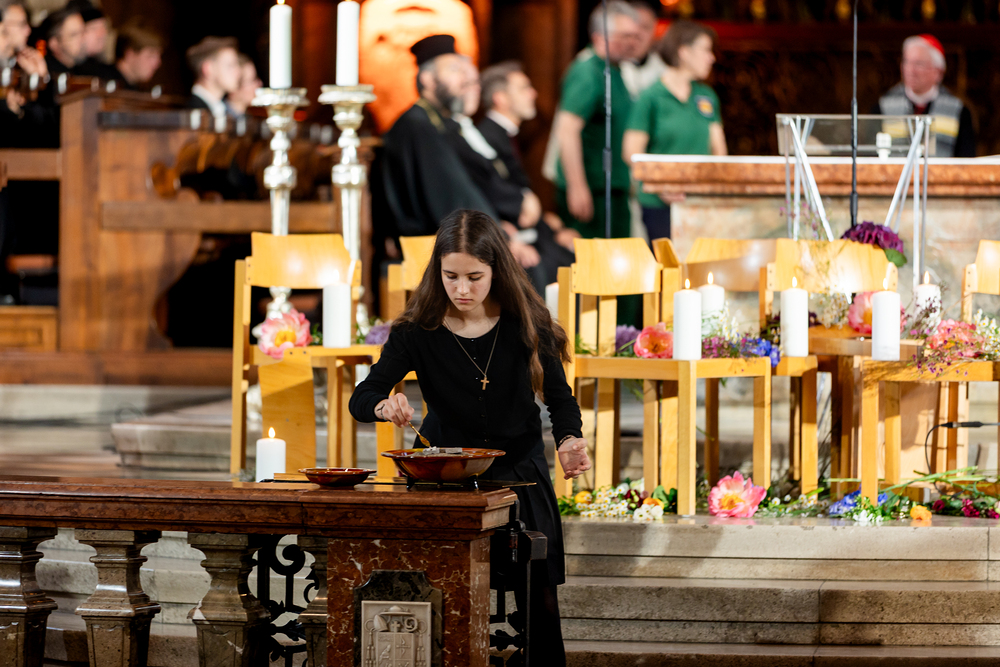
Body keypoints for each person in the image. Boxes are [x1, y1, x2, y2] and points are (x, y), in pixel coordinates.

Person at [349, 209, 591, 667]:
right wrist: (383, 405)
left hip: (518, 474)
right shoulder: (416, 331)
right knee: (437, 592)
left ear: (496, 270)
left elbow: (560, 400)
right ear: (437, 272)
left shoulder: (527, 323)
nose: (462, 289)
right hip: (443, 476)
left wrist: (568, 440)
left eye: (474, 277)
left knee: (539, 598)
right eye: (451, 276)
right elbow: (363, 396)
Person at [379, 34, 498, 238]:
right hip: (429, 243)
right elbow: (452, 195)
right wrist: (496, 237)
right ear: (428, 79)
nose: (464, 79)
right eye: (454, 70)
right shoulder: (416, 126)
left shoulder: (441, 122)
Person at [623, 20, 726, 241]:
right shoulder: (651, 97)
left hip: (700, 203)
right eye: (706, 50)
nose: (712, 57)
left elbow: (719, 152)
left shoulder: (706, 96)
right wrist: (662, 186)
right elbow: (631, 152)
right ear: (684, 52)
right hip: (659, 204)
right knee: (667, 260)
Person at [479, 61, 578, 285]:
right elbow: (492, 193)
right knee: (560, 268)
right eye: (524, 88)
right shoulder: (487, 137)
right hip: (506, 235)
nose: (533, 93)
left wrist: (553, 228)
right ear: (500, 98)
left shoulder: (504, 135)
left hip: (528, 230)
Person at [552, 1, 641, 241]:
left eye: (636, 36)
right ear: (601, 37)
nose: (633, 42)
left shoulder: (616, 70)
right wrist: (577, 186)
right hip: (593, 190)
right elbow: (567, 129)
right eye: (626, 36)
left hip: (612, 188)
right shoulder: (587, 72)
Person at [874, 34, 975, 158]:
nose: (911, 70)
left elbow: (966, 160)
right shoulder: (882, 108)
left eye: (919, 64)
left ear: (938, 71)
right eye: (906, 62)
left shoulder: (958, 111)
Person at [185, 36, 240, 118]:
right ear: (208, 69)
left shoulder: (219, 108)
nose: (238, 72)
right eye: (230, 65)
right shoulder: (193, 113)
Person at [620, 0, 666, 99]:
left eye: (645, 27)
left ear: (654, 31)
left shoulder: (664, 69)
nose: (637, 32)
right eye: (633, 25)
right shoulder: (605, 65)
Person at [67, 1, 117, 81]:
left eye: (104, 27)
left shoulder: (109, 71)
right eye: (94, 28)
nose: (102, 34)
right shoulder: (70, 70)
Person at [112, 20, 163, 91]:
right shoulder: (103, 84)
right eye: (150, 55)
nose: (157, 63)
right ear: (130, 54)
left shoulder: (134, 89)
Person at [41, 7, 85, 77]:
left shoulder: (91, 69)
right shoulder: (46, 75)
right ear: (54, 44)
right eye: (74, 35)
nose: (83, 38)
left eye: (83, 32)